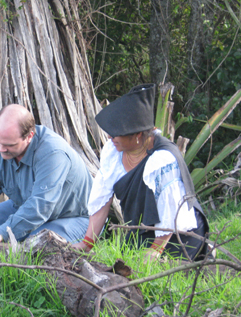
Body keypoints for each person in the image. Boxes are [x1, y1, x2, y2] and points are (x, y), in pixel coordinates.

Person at [72, 84, 208, 262]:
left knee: (158, 275)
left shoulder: (163, 160)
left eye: (116, 134)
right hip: (142, 232)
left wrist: (155, 251)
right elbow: (102, 200)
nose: (110, 138)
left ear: (136, 135)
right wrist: (86, 244)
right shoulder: (113, 152)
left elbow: (171, 211)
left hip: (178, 235)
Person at [0, 104, 93, 256]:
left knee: (36, 245)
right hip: (23, 206)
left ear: (29, 136)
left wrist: (0, 233)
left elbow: (40, 206)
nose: (1, 149)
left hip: (74, 217)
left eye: (9, 145)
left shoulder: (53, 153)